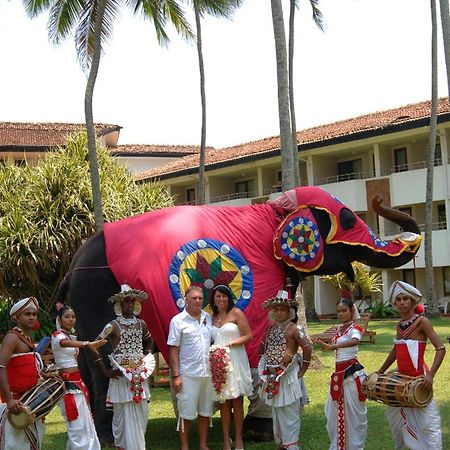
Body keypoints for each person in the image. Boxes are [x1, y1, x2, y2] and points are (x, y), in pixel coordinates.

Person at [377, 280, 446, 450]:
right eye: (398, 299)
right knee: (398, 421)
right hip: (401, 380)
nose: (401, 302)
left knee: (427, 423)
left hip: (419, 380)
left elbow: (441, 348)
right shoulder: (399, 325)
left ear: (413, 301)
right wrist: (381, 371)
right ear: (394, 303)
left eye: (405, 299)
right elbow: (396, 349)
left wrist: (430, 375)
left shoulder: (422, 322)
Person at [93, 284, 154, 450]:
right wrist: (106, 371)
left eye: (132, 301)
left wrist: (146, 356)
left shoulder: (141, 324)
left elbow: (150, 341)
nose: (130, 305)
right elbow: (94, 346)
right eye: (126, 302)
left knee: (141, 413)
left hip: (139, 375)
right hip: (121, 376)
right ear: (119, 304)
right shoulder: (112, 326)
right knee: (122, 414)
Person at [259, 290, 312, 450]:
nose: (279, 312)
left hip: (288, 376)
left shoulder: (295, 328)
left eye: (282, 309)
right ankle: (284, 444)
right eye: (276, 309)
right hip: (273, 376)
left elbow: (307, 347)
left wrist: (302, 371)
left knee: (290, 411)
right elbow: (262, 348)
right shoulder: (270, 329)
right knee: (277, 410)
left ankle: (292, 445)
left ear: (290, 311)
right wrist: (266, 369)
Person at [51, 304, 106, 450]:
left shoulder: (70, 336)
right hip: (68, 384)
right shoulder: (58, 336)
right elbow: (65, 343)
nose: (71, 320)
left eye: (73, 317)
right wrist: (87, 344)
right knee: (75, 421)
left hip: (77, 382)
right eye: (67, 317)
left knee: (85, 419)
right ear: (60, 319)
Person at [315, 298, 367, 450]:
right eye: (338, 311)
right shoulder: (339, 329)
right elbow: (334, 343)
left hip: (351, 374)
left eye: (344, 310)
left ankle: (354, 446)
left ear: (352, 311)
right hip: (338, 375)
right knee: (334, 413)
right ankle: (340, 446)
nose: (341, 314)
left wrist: (333, 346)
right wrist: (320, 341)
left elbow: (355, 341)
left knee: (354, 416)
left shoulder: (355, 328)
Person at [167, 285, 213, 450]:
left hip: (207, 373)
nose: (198, 301)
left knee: (204, 412)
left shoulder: (208, 318)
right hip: (187, 374)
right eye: (194, 298)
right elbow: (173, 349)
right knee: (185, 413)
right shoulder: (178, 321)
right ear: (186, 299)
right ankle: (185, 446)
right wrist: (176, 376)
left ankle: (203, 445)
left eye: (200, 298)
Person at [209, 284, 253, 450]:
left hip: (235, 359)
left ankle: (239, 439)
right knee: (224, 401)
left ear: (229, 298)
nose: (221, 299)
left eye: (224, 296)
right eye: (218, 296)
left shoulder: (236, 313)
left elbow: (249, 335)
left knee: (237, 400)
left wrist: (230, 344)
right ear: (213, 298)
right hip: (218, 361)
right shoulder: (211, 317)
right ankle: (226, 441)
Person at [0, 297, 46, 449]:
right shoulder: (12, 337)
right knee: (15, 444)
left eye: (34, 314)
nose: (32, 317)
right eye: (27, 314)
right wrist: (9, 399)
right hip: (16, 402)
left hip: (30, 400)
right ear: (16, 317)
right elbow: (0, 366)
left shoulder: (27, 338)